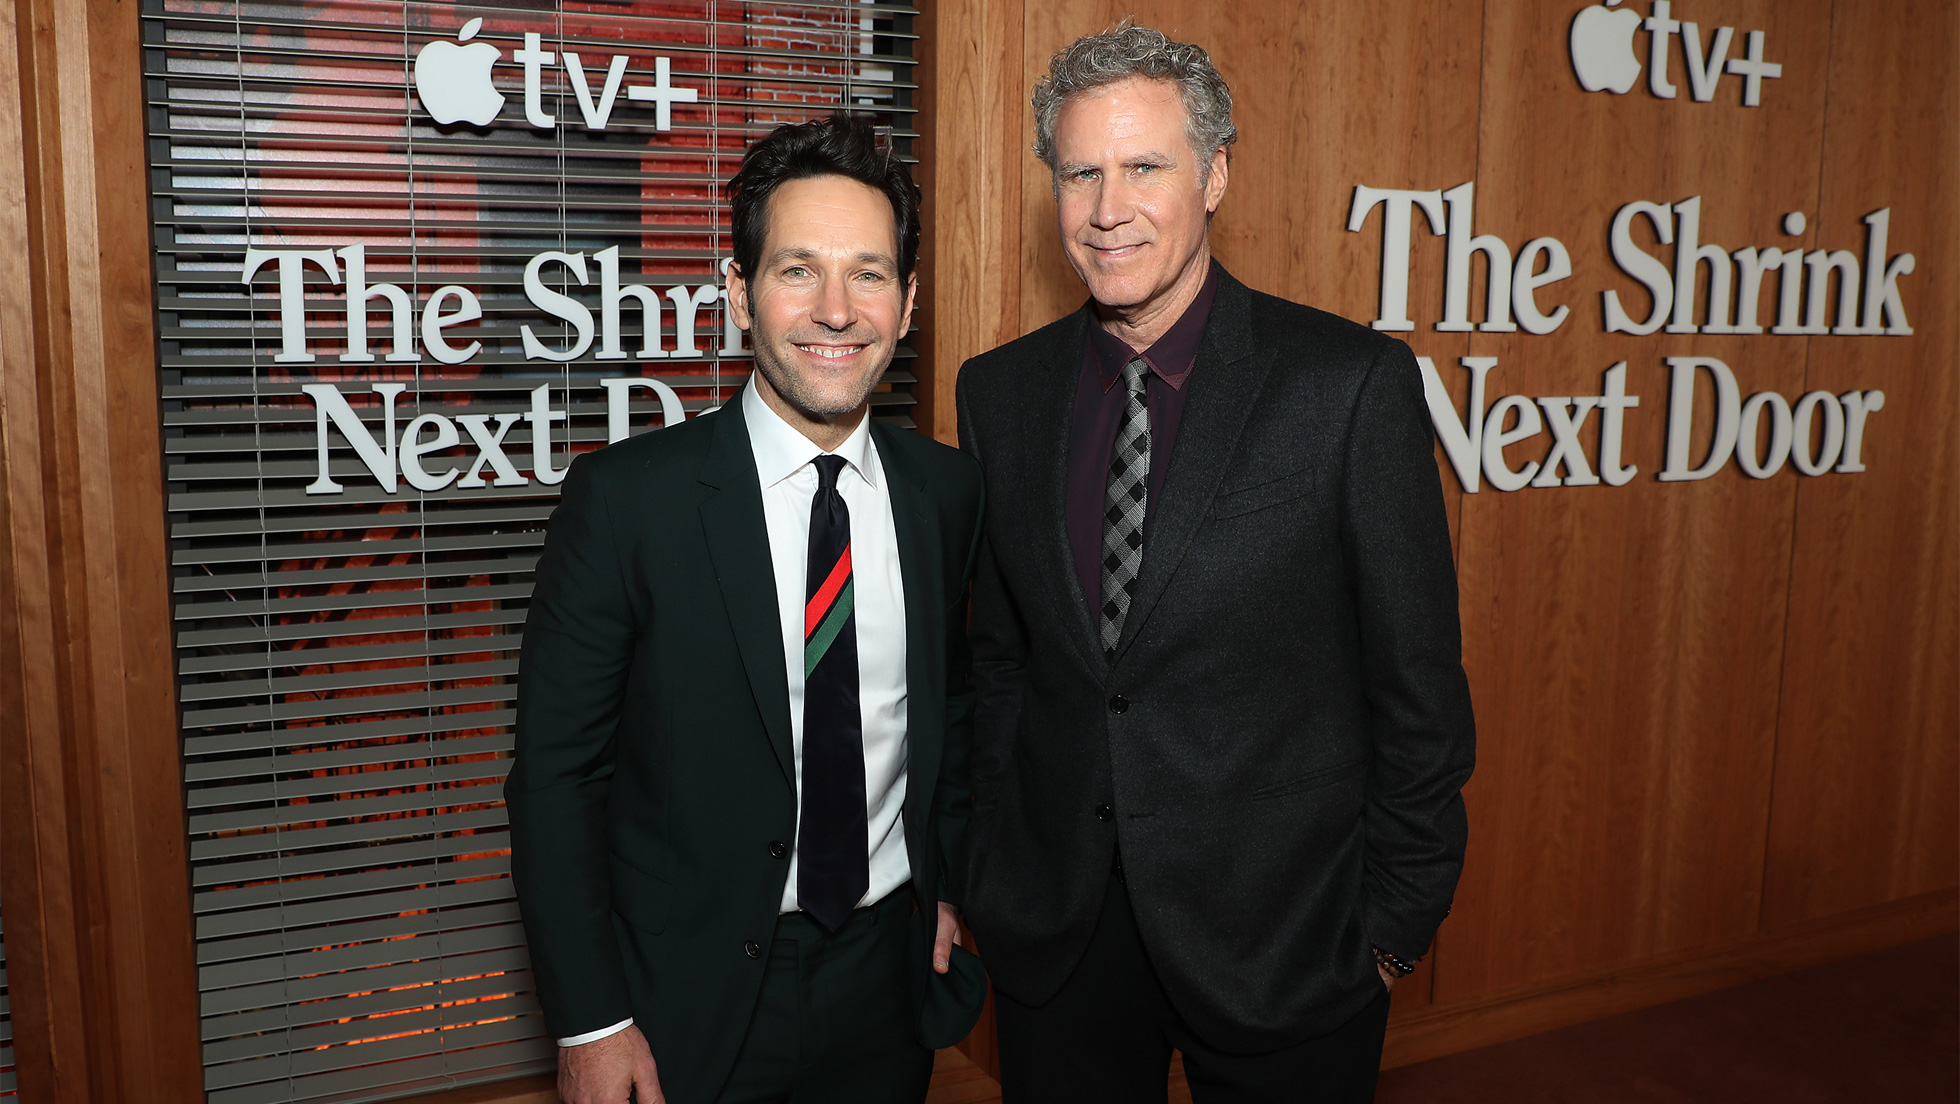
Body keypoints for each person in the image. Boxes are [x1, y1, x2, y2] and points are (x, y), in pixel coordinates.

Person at [955, 25, 1476, 1104]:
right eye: (1080, 172)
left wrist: (1391, 933)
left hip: (1290, 944)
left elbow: (1417, 689)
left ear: (1215, 175)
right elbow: (998, 666)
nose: (1108, 209)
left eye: (1144, 166)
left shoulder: (1349, 386)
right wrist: (982, 873)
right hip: (1060, 945)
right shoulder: (997, 395)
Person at [508, 111, 987, 1104]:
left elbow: (953, 713)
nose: (834, 309)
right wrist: (591, 1019)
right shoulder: (627, 502)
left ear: (906, 304)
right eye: (796, 270)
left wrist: (939, 886)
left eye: (867, 274)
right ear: (738, 294)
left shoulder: (946, 495)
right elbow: (556, 779)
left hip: (887, 981)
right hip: (690, 995)